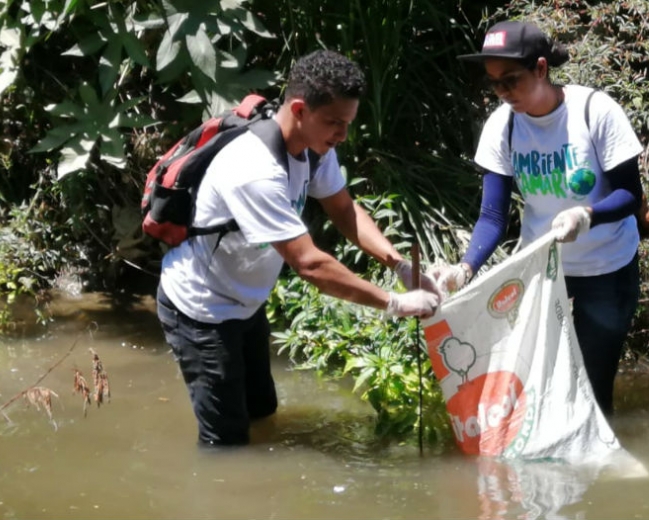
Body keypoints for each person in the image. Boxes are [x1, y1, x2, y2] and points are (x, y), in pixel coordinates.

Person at [156, 49, 442, 446]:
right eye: (335, 123)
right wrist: (394, 303)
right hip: (201, 309)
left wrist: (398, 265)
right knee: (226, 445)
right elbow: (310, 265)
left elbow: (344, 210)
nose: (343, 134)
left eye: (347, 123)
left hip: (245, 303)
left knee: (263, 413)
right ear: (299, 110)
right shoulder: (254, 171)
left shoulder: (314, 146)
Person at [431, 21, 645, 416]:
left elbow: (631, 195)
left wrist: (587, 214)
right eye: (494, 83)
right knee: (540, 381)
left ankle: (596, 469)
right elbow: (493, 217)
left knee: (594, 392)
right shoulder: (503, 125)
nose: (502, 92)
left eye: (510, 80)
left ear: (542, 69)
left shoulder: (594, 111)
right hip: (544, 271)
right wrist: (464, 269)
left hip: (607, 267)